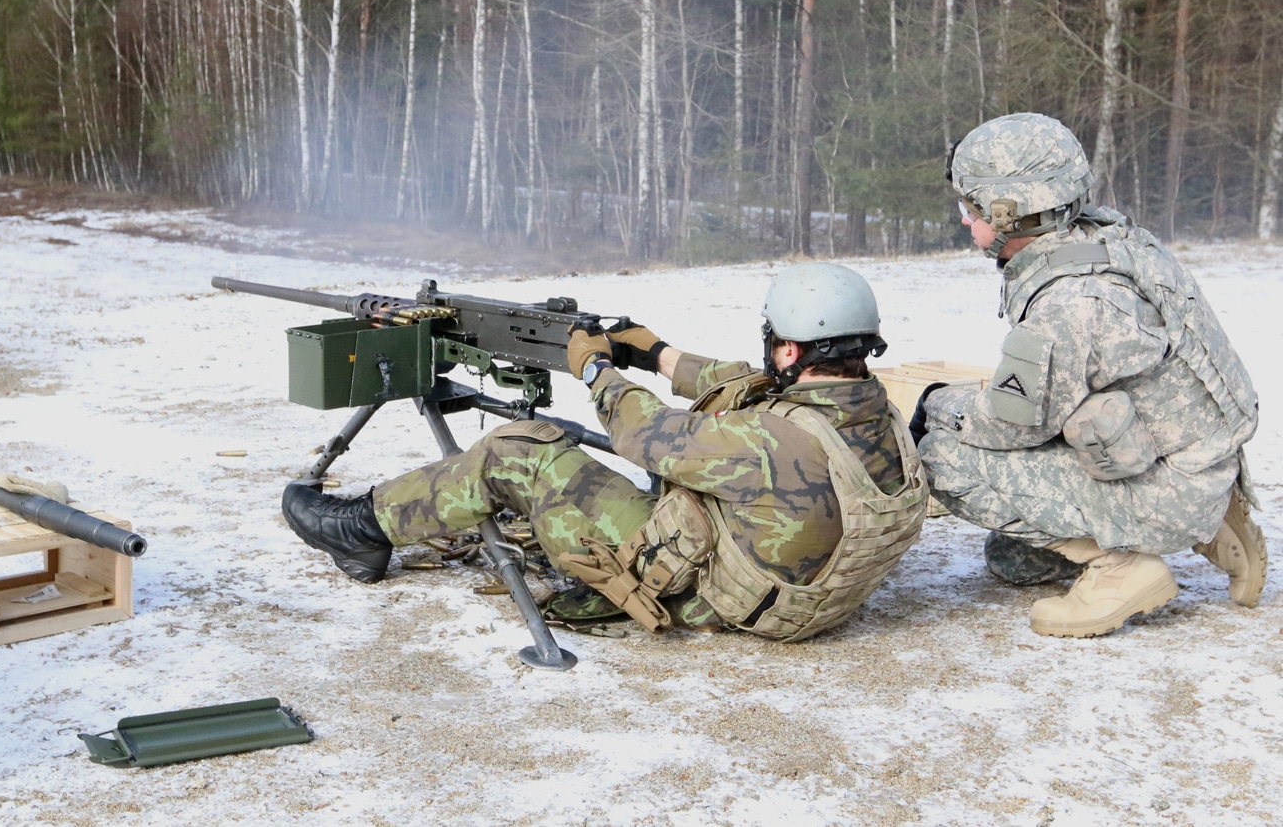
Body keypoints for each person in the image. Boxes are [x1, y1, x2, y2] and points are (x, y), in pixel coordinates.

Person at [281, 263, 929, 641]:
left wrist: (596, 371)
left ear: (790, 349)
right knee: (732, 397)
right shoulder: (873, 412)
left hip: (715, 598)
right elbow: (743, 385)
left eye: (773, 341)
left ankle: (364, 528)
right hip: (805, 590)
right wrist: (652, 353)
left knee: (520, 448)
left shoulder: (762, 445)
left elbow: (640, 435)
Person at [912, 111, 1266, 639]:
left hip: (1168, 482)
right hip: (1197, 457)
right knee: (1014, 559)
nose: (966, 220)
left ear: (1011, 214)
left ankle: (1124, 569)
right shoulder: (1109, 240)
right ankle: (1214, 520)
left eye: (973, 207)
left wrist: (937, 403)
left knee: (940, 455)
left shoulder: (1071, 304)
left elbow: (1013, 425)